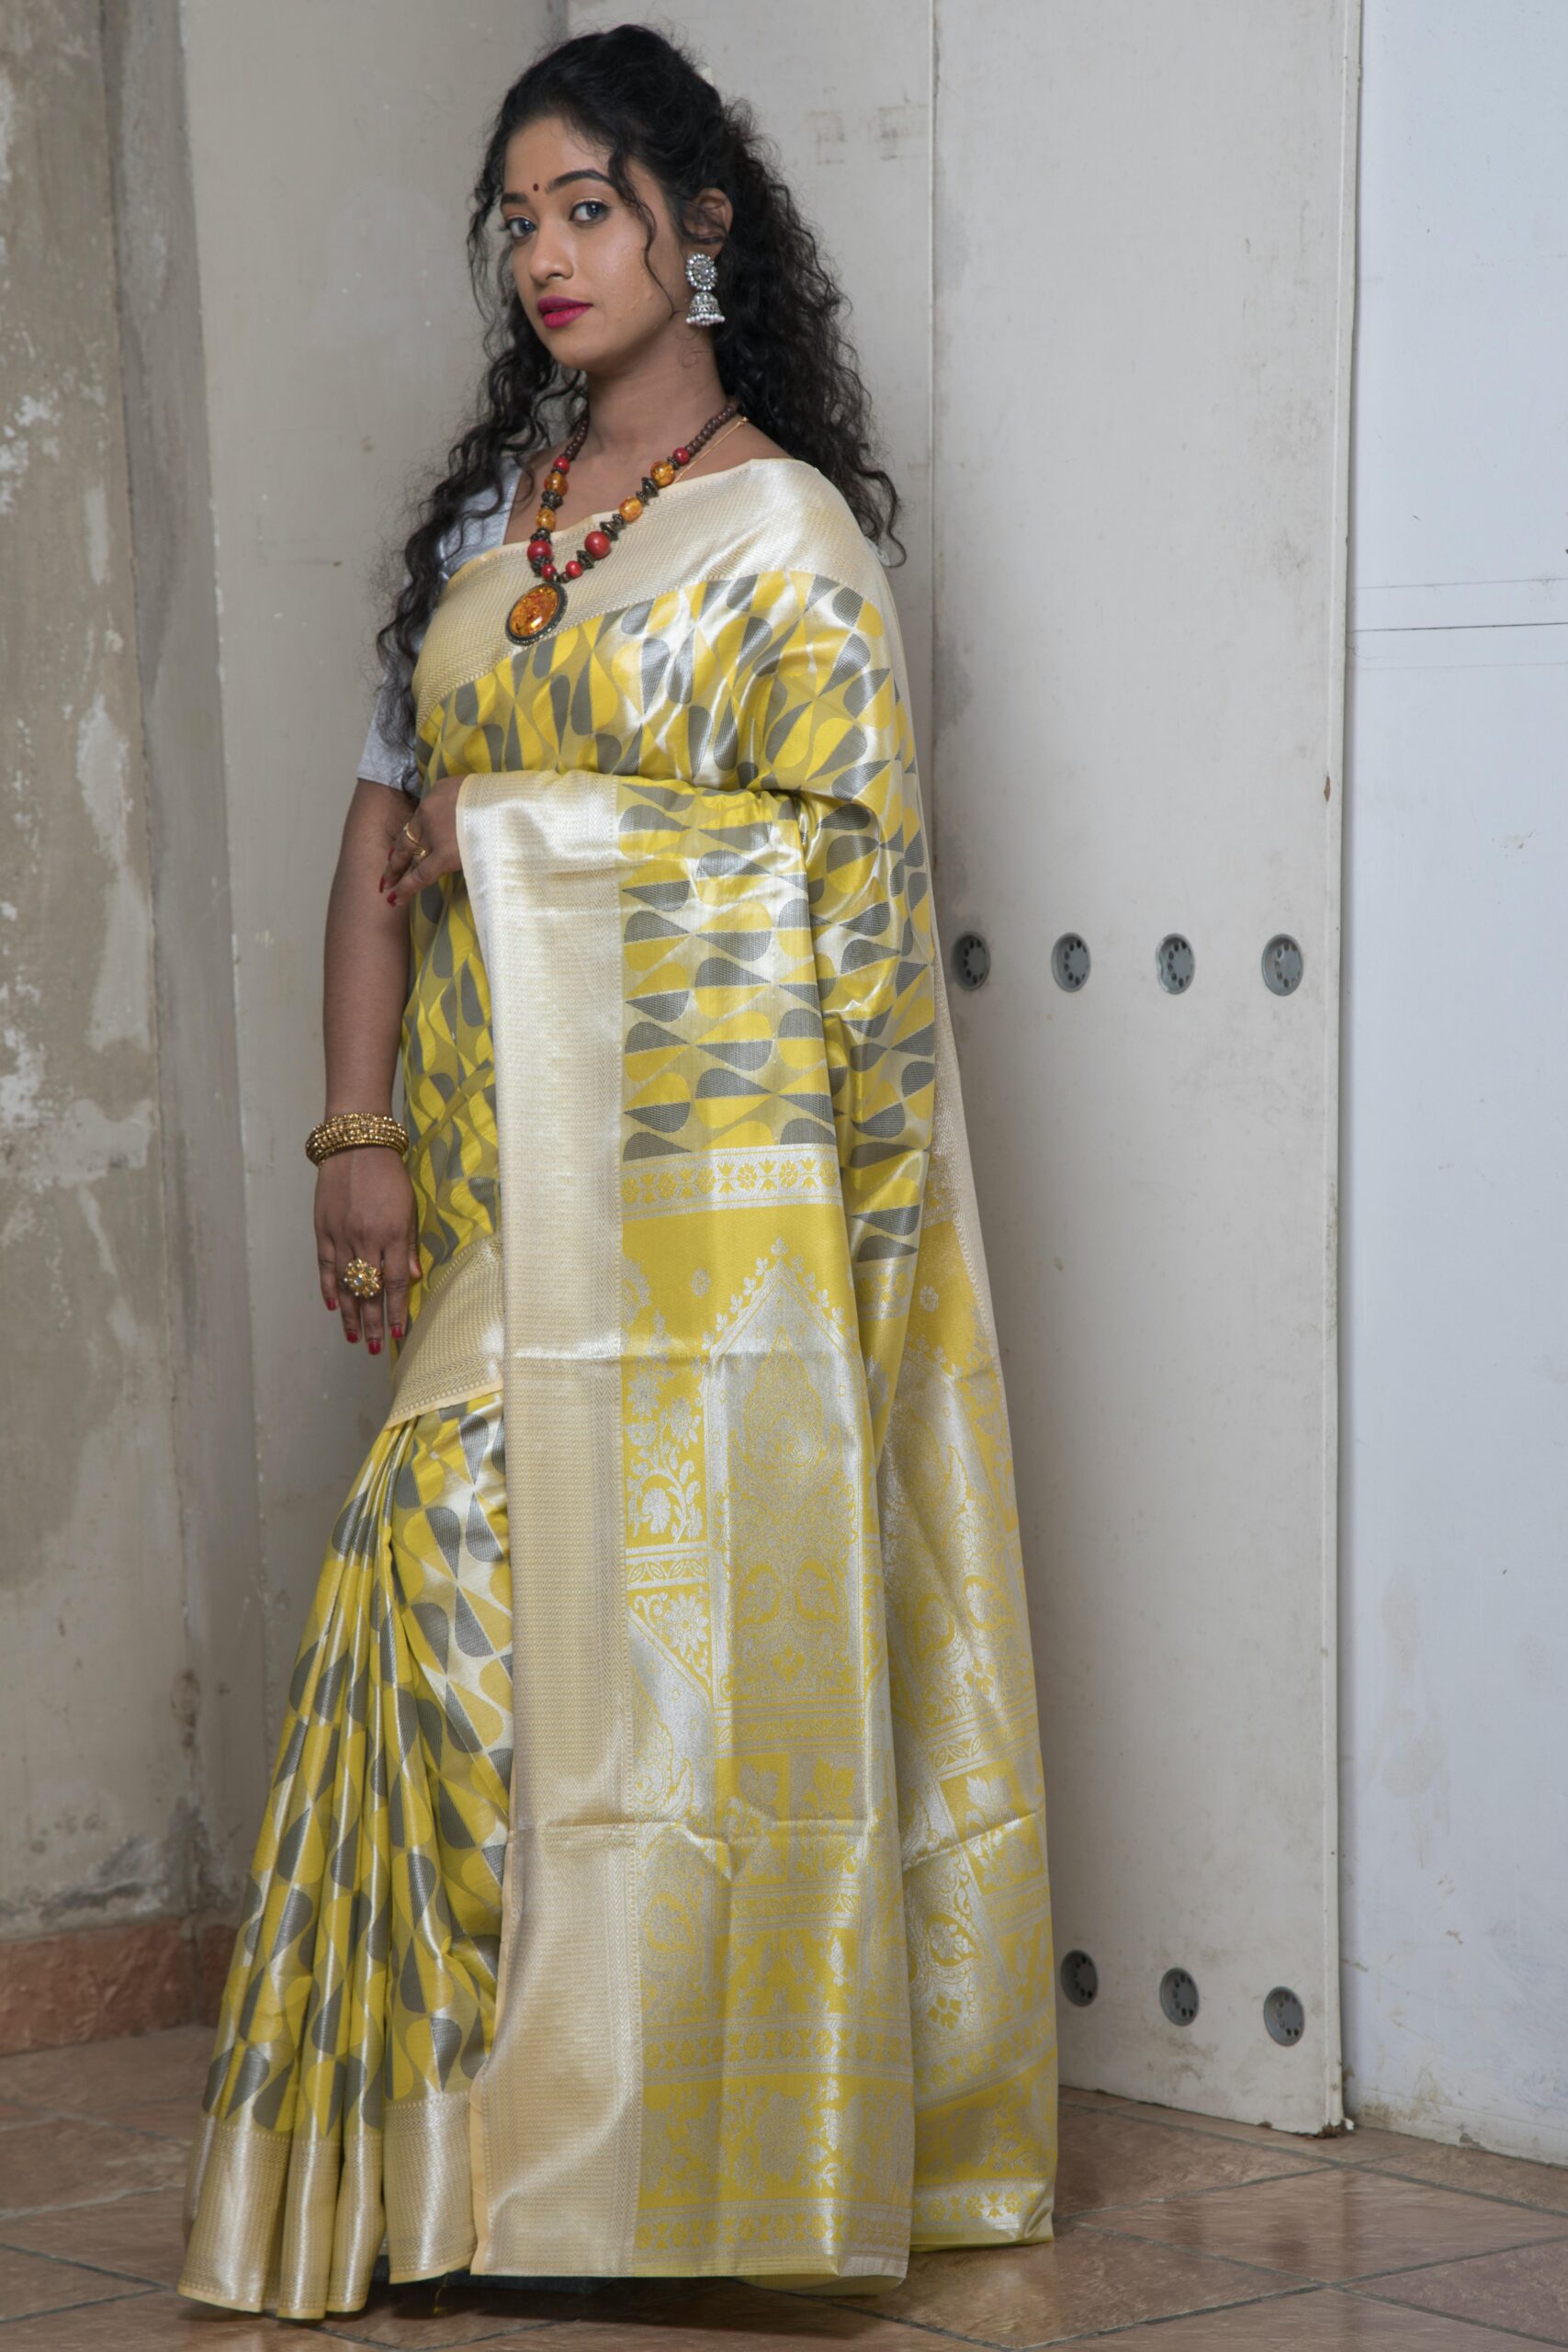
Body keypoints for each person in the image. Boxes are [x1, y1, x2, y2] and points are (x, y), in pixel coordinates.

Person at [178, 23, 1057, 2324]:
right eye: (519, 221)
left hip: (702, 1211)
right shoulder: (496, 523)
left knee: (605, 1642)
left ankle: (624, 2162)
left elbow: (841, 897)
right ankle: (441, 2169)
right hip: (492, 1174)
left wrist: (536, 832)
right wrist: (355, 1131)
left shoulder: (787, 538)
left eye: (589, 207)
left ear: (701, 227)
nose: (548, 256)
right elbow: (380, 834)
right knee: (471, 1613)